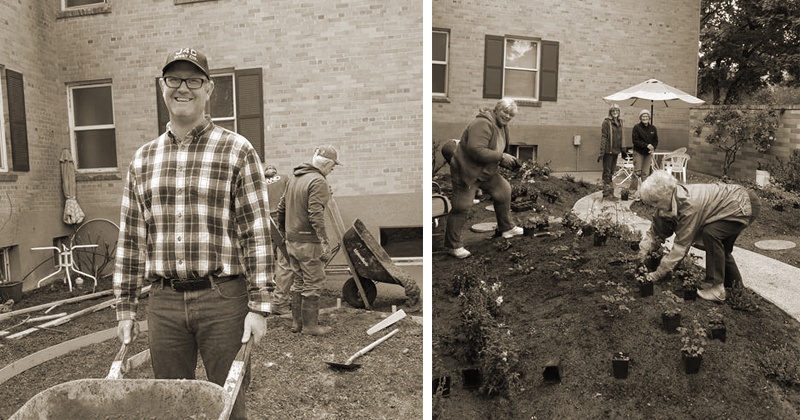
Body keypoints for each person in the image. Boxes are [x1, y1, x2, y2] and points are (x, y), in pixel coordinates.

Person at [113, 48, 272, 420]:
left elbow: (257, 231)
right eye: (174, 79)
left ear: (208, 88)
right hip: (164, 303)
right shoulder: (143, 160)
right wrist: (125, 308)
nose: (183, 88)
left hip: (224, 301)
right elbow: (132, 240)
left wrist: (260, 307)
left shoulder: (237, 150)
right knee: (169, 405)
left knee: (228, 403)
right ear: (162, 86)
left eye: (194, 80)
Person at [637, 170, 760, 302]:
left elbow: (681, 246)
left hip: (741, 203)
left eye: (656, 202)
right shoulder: (667, 203)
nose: (655, 207)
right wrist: (642, 252)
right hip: (734, 200)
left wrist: (658, 273)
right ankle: (737, 290)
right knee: (721, 249)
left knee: (711, 234)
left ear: (667, 194)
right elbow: (655, 231)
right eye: (652, 204)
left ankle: (717, 289)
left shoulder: (689, 205)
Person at [444, 98, 523, 259]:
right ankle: (453, 246)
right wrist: (501, 157)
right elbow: (476, 149)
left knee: (503, 190)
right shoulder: (482, 123)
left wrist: (509, 162)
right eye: (505, 112)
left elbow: (497, 149)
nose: (507, 116)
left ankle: (506, 228)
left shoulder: (502, 127)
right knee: (462, 207)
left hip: (486, 171)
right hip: (467, 171)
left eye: (511, 115)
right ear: (497, 109)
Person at [276, 145, 342, 335]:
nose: (332, 170)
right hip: (308, 243)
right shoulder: (318, 181)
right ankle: (311, 326)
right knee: (313, 282)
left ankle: (297, 324)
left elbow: (281, 209)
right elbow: (315, 215)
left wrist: (284, 232)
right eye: (333, 166)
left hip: (292, 241)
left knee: (299, 281)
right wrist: (324, 242)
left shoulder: (294, 179)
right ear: (327, 164)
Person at [264, 164, 293, 315]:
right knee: (285, 263)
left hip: (264, 221)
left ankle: (263, 299)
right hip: (281, 221)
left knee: (264, 261)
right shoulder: (285, 178)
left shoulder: (261, 182)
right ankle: (279, 302)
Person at [630, 109, 659, 197]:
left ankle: (645, 192)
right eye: (643, 116)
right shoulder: (636, 128)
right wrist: (646, 145)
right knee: (637, 172)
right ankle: (632, 192)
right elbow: (635, 141)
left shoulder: (653, 128)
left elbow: (656, 140)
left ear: (649, 117)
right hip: (638, 152)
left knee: (645, 173)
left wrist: (653, 148)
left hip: (648, 154)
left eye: (646, 116)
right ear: (640, 117)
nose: (645, 118)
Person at [598, 103, 624, 199]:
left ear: (619, 112)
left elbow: (621, 136)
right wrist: (601, 151)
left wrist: (623, 148)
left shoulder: (620, 122)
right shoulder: (606, 122)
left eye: (617, 110)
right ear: (610, 112)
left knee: (612, 172)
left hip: (616, 151)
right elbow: (604, 137)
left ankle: (610, 193)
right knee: (607, 172)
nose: (615, 112)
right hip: (608, 150)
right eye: (613, 111)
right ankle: (606, 193)